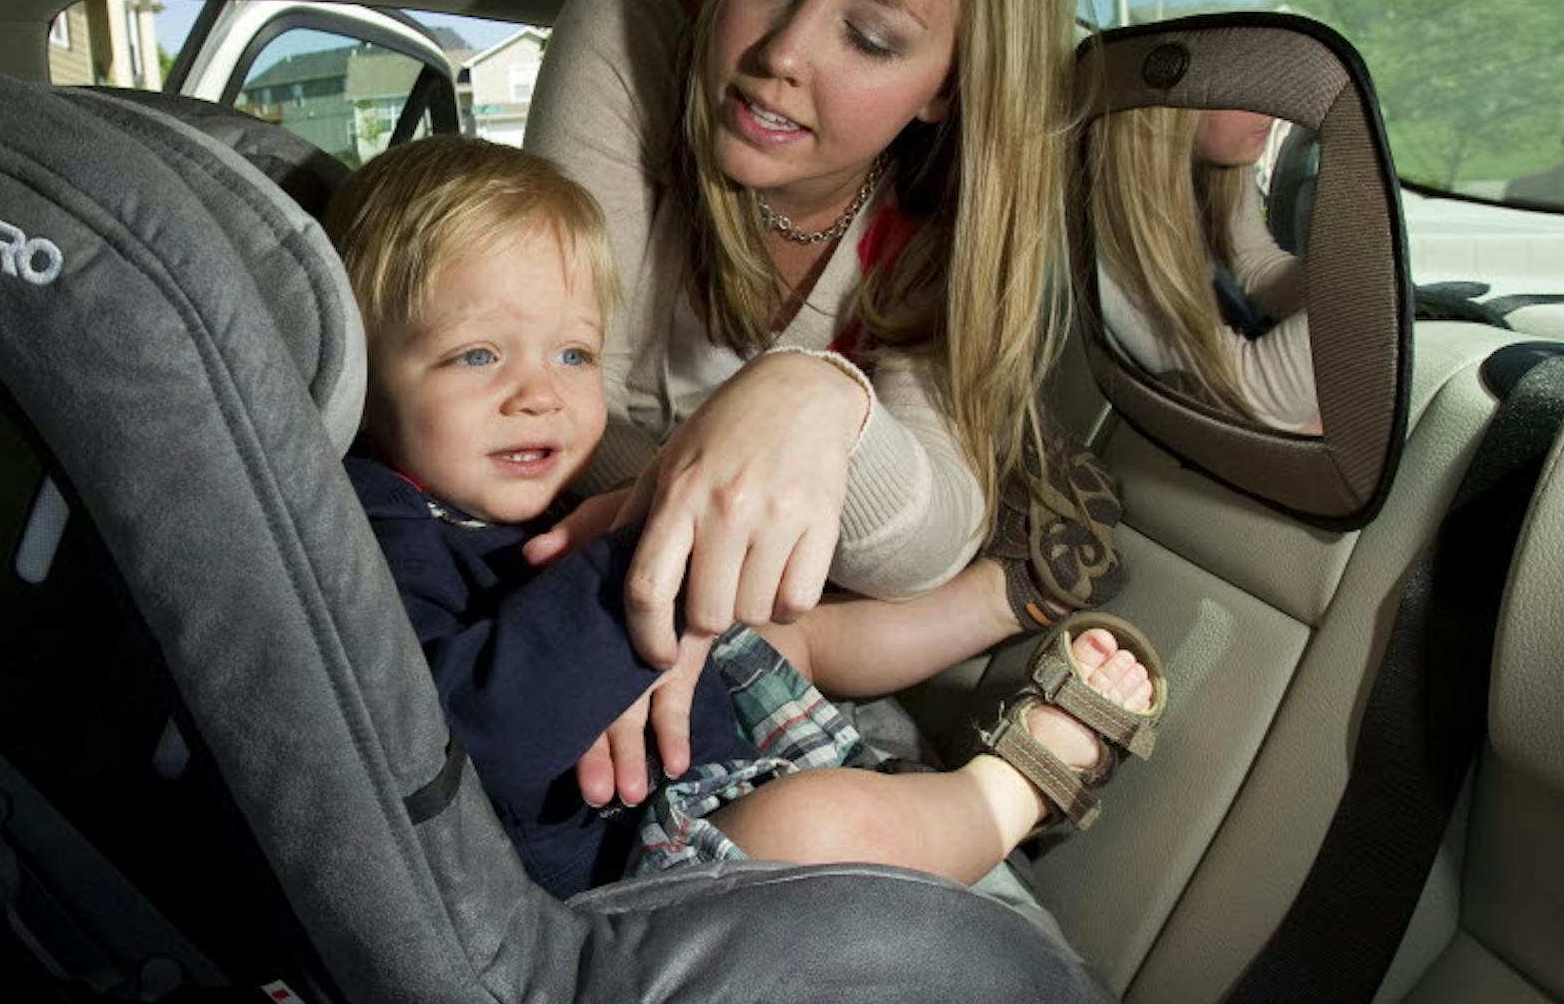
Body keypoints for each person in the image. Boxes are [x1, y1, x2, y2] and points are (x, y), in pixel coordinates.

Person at [330, 135, 1165, 899]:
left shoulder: (496, 485)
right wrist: (640, 557)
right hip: (642, 857)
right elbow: (470, 739)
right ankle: (1025, 781)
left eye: (574, 353)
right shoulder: (371, 530)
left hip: (700, 727)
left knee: (778, 625)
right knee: (826, 828)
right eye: (477, 355)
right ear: (362, 378)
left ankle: (1012, 592)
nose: (540, 394)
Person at [522, 0, 1124, 806]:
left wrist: (813, 398)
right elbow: (550, 409)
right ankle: (1005, 606)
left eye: (873, 37)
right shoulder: (633, 30)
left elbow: (923, 540)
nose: (780, 53)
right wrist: (719, 481)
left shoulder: (943, 212)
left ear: (946, 85)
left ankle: (1006, 624)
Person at [1091, 107, 1320, 433]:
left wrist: (1340, 291)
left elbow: (1256, 263)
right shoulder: (1105, 223)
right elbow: (1250, 393)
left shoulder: (1219, 162)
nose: (1271, 101)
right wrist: (1356, 307)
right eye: (1241, 74)